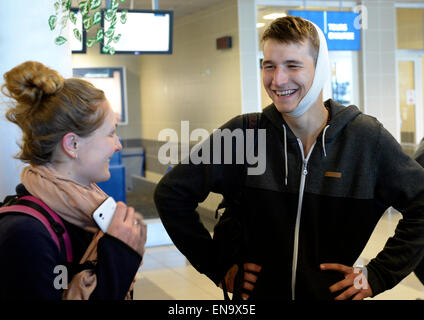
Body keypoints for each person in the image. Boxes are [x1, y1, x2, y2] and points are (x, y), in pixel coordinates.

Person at [154, 16, 424, 300]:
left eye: (292, 65)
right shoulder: (244, 134)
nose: (277, 79)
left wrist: (379, 274)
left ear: (320, 70)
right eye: (269, 66)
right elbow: (171, 194)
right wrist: (215, 264)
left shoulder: (365, 139)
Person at [0, 61, 147, 300]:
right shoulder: (25, 234)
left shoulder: (89, 211)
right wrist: (120, 252)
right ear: (72, 144)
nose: (118, 145)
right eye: (110, 133)